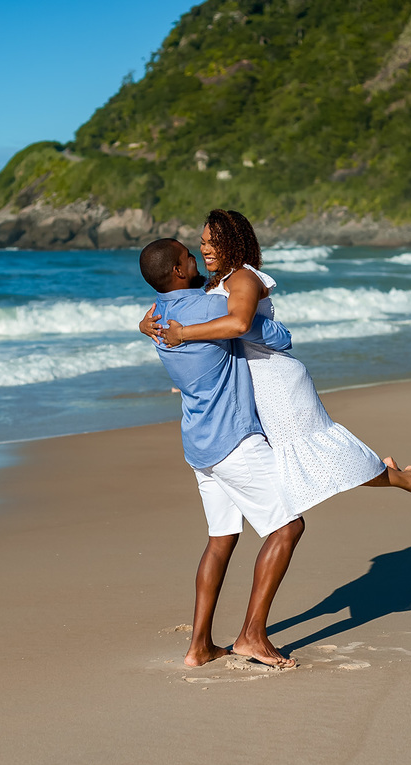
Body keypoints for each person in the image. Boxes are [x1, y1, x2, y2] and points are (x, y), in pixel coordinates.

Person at [142, 209, 411, 511]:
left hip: (275, 382)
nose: (205, 249)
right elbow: (180, 307)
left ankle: (408, 481)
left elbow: (241, 325)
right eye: (202, 242)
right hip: (248, 387)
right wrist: (146, 327)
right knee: (307, 465)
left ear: (233, 243)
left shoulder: (243, 278)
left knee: (322, 459)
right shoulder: (211, 283)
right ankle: (386, 470)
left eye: (213, 243)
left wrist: (185, 335)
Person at [140, 237, 306, 669]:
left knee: (221, 540)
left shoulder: (157, 317)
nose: (196, 259)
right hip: (234, 439)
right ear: (178, 271)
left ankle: (198, 647)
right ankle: (252, 636)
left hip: (198, 444)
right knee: (288, 526)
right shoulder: (209, 309)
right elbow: (277, 337)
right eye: (188, 256)